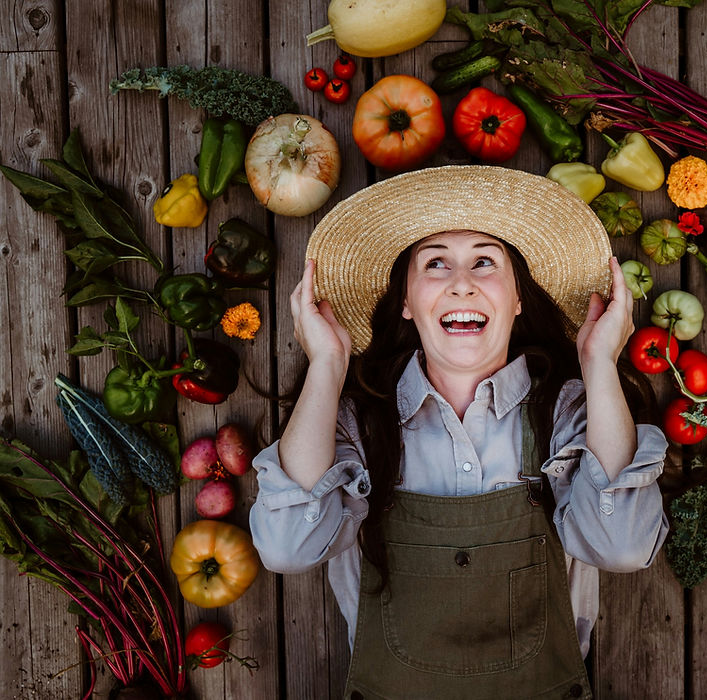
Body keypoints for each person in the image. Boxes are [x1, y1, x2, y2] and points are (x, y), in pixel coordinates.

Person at [249, 165, 670, 699]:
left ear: (518, 300)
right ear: (405, 302)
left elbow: (625, 548)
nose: (462, 282)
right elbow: (288, 549)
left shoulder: (567, 415)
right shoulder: (356, 426)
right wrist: (329, 363)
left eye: (485, 261)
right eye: (436, 263)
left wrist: (599, 363)